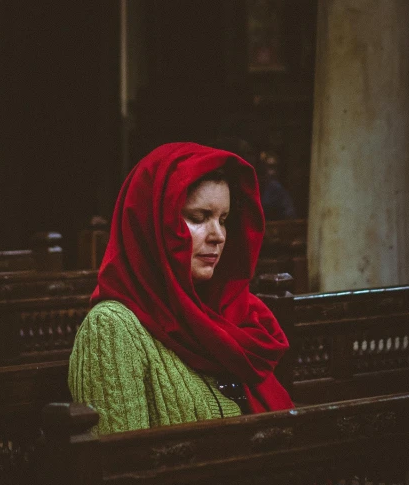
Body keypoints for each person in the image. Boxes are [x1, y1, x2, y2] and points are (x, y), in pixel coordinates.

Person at [68, 142, 293, 435]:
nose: (218, 236)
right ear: (153, 226)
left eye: (223, 220)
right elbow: (124, 470)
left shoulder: (230, 312)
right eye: (198, 218)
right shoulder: (111, 328)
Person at [258, 148, 297, 221]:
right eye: (269, 167)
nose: (272, 172)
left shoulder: (277, 188)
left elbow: (290, 213)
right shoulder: (259, 185)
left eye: (275, 167)